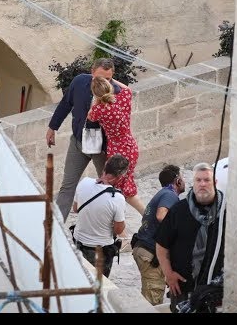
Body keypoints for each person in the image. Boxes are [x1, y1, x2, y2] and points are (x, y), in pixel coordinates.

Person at [46, 58, 121, 222]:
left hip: (101, 149)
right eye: (99, 77)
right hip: (78, 143)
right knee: (67, 186)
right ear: (92, 72)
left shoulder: (116, 93)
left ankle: (112, 229)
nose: (103, 82)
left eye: (107, 79)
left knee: (109, 188)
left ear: (112, 76)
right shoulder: (79, 82)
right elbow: (66, 104)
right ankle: (55, 228)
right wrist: (53, 127)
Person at [155, 162, 226, 313]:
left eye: (207, 180)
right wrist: (168, 274)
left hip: (214, 288)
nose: (202, 184)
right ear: (193, 183)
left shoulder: (226, 210)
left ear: (215, 182)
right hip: (182, 286)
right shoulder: (179, 210)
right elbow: (161, 245)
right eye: (198, 180)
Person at [87, 76, 145, 215]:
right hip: (131, 147)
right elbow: (127, 89)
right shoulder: (122, 100)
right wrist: (112, 79)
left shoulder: (99, 109)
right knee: (124, 185)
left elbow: (90, 117)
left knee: (115, 187)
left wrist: (95, 101)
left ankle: (140, 215)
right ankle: (143, 215)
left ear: (95, 94)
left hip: (117, 152)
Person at [132, 165, 186, 306]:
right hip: (149, 253)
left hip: (145, 250)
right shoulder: (170, 194)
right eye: (183, 177)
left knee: (151, 296)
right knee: (153, 302)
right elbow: (161, 216)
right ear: (178, 180)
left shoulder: (163, 193)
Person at [72, 154, 129, 278]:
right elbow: (118, 230)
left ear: (105, 168)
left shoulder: (85, 182)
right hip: (100, 251)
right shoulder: (117, 198)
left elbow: (75, 209)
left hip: (78, 242)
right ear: (119, 177)